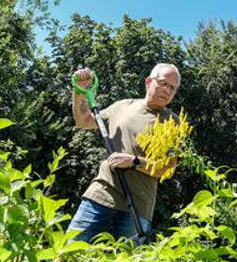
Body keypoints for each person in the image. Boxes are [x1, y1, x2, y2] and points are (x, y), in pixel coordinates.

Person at [66, 63, 181, 243]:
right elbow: (84, 121)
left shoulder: (172, 122)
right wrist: (79, 91)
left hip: (136, 209)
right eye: (163, 83)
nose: (167, 90)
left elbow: (167, 170)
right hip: (100, 195)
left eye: (172, 88)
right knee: (67, 253)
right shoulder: (122, 106)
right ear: (148, 82)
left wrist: (134, 161)